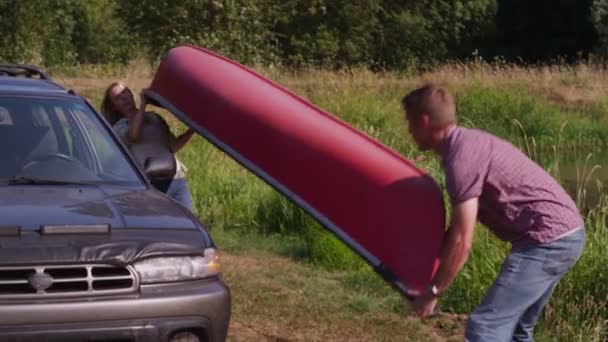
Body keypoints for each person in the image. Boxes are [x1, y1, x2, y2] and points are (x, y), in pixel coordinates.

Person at [402, 84, 585, 341]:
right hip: (567, 234)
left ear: (424, 121)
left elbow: (462, 242)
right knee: (519, 330)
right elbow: (455, 234)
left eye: (410, 123)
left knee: (485, 327)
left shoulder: (460, 159)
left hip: (547, 240)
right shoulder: (467, 144)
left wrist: (432, 292)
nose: (409, 131)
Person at [101, 82, 196, 212]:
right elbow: (133, 136)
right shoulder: (120, 126)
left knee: (189, 225)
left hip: (176, 180)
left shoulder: (154, 117)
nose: (124, 97)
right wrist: (143, 105)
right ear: (114, 107)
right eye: (118, 97)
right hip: (150, 185)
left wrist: (192, 130)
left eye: (125, 92)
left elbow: (173, 146)